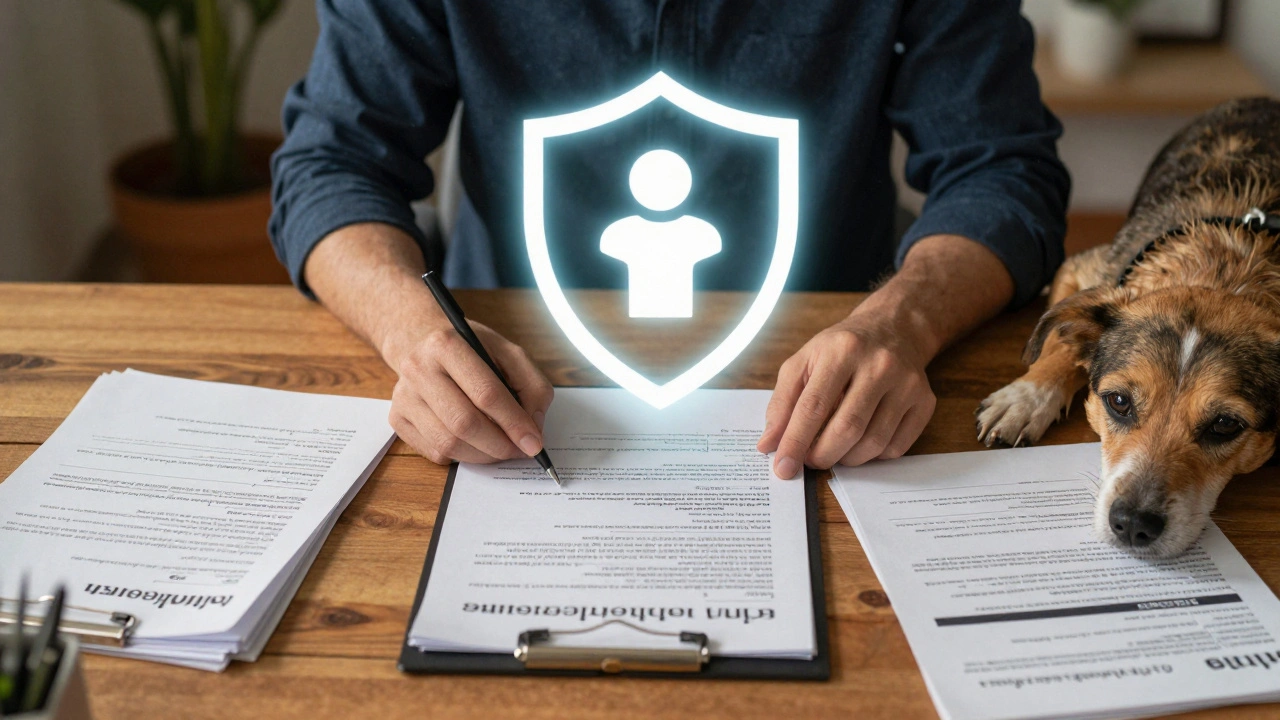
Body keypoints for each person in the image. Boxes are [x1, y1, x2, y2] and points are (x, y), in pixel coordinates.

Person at [270, 1, 1070, 479]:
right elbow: (332, 163)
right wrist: (412, 330)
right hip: (506, 371)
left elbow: (1001, 170)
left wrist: (904, 322)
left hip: (835, 385)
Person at [601, 149, 722, 319]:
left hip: (684, 321)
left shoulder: (702, 233)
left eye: (670, 180)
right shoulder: (618, 233)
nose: (661, 187)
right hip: (634, 321)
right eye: (651, 181)